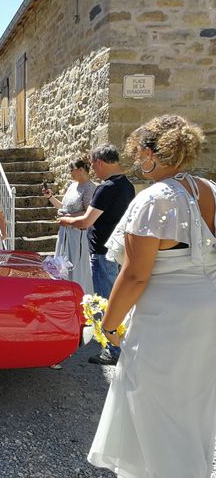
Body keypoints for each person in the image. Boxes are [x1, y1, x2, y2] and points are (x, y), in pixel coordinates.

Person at [87, 115, 216, 478]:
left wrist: (109, 324)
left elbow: (134, 274)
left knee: (155, 406)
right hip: (208, 311)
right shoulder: (209, 189)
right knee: (193, 403)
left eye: (139, 152)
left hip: (167, 317)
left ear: (150, 152)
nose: (137, 160)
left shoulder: (155, 200)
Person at [60, 144, 135, 365]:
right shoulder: (127, 186)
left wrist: (66, 221)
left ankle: (112, 350)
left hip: (102, 251)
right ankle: (120, 343)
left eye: (93, 165)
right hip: (118, 250)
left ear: (100, 162)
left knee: (104, 302)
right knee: (117, 299)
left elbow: (85, 222)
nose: (94, 170)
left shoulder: (106, 188)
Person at [43, 158, 96, 294]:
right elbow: (64, 208)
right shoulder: (72, 186)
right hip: (64, 232)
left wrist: (67, 218)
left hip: (77, 233)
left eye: (71, 170)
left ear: (81, 170)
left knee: (75, 267)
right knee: (61, 265)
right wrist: (51, 198)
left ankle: (78, 295)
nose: (70, 173)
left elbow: (87, 213)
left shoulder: (90, 188)